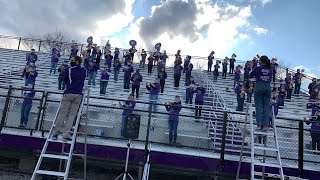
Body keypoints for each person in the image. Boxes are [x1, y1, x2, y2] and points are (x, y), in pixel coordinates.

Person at [51, 56, 87, 140]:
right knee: (71, 115)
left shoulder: (70, 69)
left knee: (62, 113)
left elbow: (65, 78)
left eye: (73, 60)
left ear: (77, 61)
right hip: (78, 94)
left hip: (69, 92)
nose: (71, 62)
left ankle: (55, 133)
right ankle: (65, 134)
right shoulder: (84, 70)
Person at [249, 55, 272, 131]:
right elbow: (271, 78)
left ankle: (259, 125)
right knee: (266, 107)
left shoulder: (258, 68)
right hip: (267, 86)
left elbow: (250, 75)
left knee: (258, 106)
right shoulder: (270, 69)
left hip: (259, 86)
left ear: (261, 61)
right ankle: (266, 126)